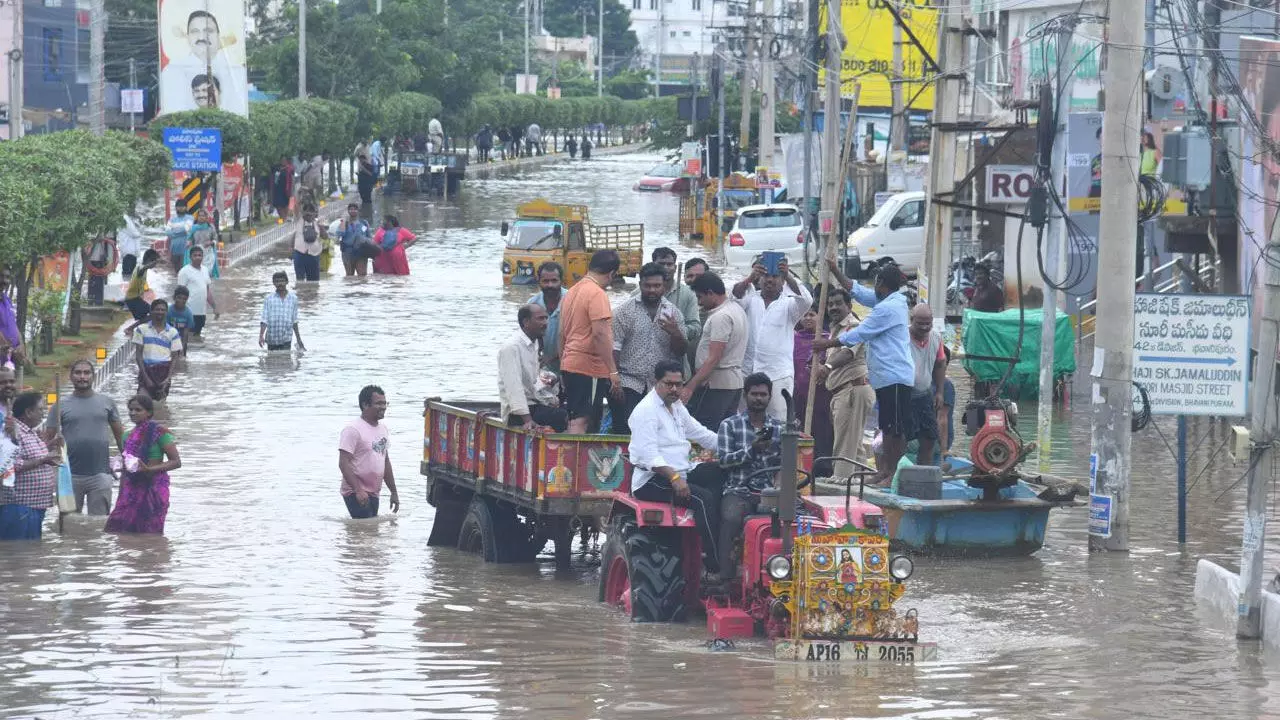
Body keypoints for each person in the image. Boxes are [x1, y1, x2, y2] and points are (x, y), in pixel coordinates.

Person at [628, 360, 724, 574]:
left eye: (678, 384)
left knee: (722, 474)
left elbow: (701, 434)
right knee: (702, 499)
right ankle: (714, 563)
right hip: (652, 480)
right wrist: (674, 478)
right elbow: (648, 455)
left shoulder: (677, 406)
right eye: (668, 384)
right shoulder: (646, 410)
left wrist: (737, 444)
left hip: (683, 471)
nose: (674, 389)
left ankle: (720, 539)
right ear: (656, 382)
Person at [830, 263, 914, 486]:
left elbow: (861, 332)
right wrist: (835, 270)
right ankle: (884, 470)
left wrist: (828, 343)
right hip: (886, 377)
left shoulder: (888, 308)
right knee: (886, 427)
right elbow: (859, 292)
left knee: (894, 430)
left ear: (881, 284)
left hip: (895, 375)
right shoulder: (887, 300)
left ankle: (892, 473)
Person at [716, 373, 784, 580]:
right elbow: (724, 461)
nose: (758, 398)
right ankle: (725, 579)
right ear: (746, 396)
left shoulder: (779, 428)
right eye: (754, 394)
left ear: (769, 397)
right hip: (738, 490)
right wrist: (751, 451)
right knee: (732, 519)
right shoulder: (729, 425)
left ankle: (777, 574)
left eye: (763, 394)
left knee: (788, 522)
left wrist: (779, 490)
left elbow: (782, 465)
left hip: (767, 491)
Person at [611, 263, 687, 433]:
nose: (652, 290)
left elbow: (681, 352)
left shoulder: (673, 313)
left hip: (661, 385)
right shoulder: (624, 311)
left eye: (657, 286)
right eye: (647, 285)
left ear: (664, 287)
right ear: (640, 285)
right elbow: (614, 348)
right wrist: (615, 381)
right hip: (629, 382)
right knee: (625, 430)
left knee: (660, 431)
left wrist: (675, 332)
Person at [733, 260, 813, 419]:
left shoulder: (790, 305)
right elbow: (734, 297)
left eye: (775, 276)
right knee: (744, 420)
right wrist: (750, 277)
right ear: (759, 279)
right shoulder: (750, 299)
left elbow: (806, 300)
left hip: (778, 374)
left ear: (783, 281)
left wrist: (788, 274)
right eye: (765, 275)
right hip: (747, 371)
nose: (770, 280)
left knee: (779, 422)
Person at [812, 287, 874, 478]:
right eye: (830, 304)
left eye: (838, 303)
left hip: (853, 390)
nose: (833, 307)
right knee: (854, 445)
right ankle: (859, 483)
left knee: (845, 444)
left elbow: (848, 353)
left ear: (849, 306)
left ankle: (840, 484)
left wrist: (827, 367)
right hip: (843, 392)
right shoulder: (834, 330)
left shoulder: (853, 326)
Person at [558, 250, 622, 433]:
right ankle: (575, 462)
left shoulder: (571, 292)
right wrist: (613, 371)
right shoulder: (597, 294)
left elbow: (561, 334)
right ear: (612, 274)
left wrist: (564, 362)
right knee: (583, 421)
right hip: (589, 368)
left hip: (570, 363)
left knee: (576, 418)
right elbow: (600, 335)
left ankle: (573, 460)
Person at [104, 394, 181, 534]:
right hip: (132, 487)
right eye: (131, 410)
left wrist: (149, 469)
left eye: (138, 410)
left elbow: (176, 462)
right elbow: (128, 465)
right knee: (118, 529)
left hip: (154, 487)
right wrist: (121, 492)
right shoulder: (127, 436)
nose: (133, 413)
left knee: (151, 532)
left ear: (149, 412)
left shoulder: (160, 432)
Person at [683, 272, 749, 431]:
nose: (699, 303)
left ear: (711, 293)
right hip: (733, 383)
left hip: (717, 384)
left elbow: (714, 358)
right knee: (725, 432)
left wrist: (691, 386)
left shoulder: (721, 317)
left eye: (700, 297)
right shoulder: (736, 309)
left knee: (704, 432)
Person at [62, 359, 124, 516]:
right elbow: (48, 440)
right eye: (78, 373)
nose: (82, 377)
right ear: (71, 376)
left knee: (99, 522)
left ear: (93, 376)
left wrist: (128, 462)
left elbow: (120, 436)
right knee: (69, 523)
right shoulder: (60, 405)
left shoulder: (107, 402)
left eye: (86, 373)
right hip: (69, 476)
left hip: (101, 474)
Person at [158, 10, 248, 115]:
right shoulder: (172, 71)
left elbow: (239, 113)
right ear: (188, 37)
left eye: (209, 31)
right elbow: (172, 115)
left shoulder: (236, 72)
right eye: (195, 31)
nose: (201, 37)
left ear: (218, 35)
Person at [0, 393, 60, 540]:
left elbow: (29, 454)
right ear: (28, 412)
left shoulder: (30, 432)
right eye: (40, 409)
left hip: (34, 506)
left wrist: (50, 445)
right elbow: (10, 465)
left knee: (30, 551)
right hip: (19, 506)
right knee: (17, 552)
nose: (43, 413)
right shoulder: (13, 432)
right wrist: (44, 460)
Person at [499, 304, 568, 432]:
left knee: (575, 409)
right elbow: (514, 388)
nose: (546, 323)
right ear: (526, 322)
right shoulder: (511, 347)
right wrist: (527, 420)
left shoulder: (534, 343)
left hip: (535, 402)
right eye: (540, 319)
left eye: (546, 318)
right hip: (518, 413)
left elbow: (533, 381)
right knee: (562, 417)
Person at [338, 385, 400, 519]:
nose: (383, 407)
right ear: (365, 405)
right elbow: (343, 463)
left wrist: (393, 492)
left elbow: (385, 462)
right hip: (355, 492)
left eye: (385, 403)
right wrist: (358, 490)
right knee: (365, 533)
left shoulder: (383, 429)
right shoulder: (352, 430)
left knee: (370, 532)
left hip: (373, 492)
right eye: (379, 403)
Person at [792, 307, 834, 471]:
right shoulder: (794, 338)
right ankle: (801, 467)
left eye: (812, 314)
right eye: (804, 314)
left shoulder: (826, 339)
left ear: (819, 317)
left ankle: (822, 467)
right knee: (800, 428)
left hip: (821, 394)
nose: (808, 318)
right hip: (799, 392)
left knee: (822, 430)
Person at [908, 303, 946, 466]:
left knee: (930, 436)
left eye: (927, 323)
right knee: (901, 437)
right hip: (904, 394)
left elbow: (940, 363)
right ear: (911, 320)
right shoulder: (901, 336)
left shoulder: (936, 337)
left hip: (924, 394)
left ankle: (924, 470)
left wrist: (939, 392)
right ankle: (894, 473)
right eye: (920, 323)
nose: (924, 327)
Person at [652, 247, 702, 370]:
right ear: (653, 265)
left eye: (669, 264)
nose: (665, 268)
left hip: (676, 362)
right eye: (661, 264)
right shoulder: (639, 294)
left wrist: (676, 330)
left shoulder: (688, 294)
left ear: (675, 267)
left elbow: (696, 328)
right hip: (648, 364)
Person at [133, 299, 183, 401]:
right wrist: (146, 377)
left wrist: (168, 378)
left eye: (163, 310)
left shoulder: (173, 332)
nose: (160, 312)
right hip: (146, 370)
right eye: (157, 309)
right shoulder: (141, 330)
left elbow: (175, 358)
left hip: (163, 372)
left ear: (166, 312)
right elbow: (138, 355)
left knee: (159, 406)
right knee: (142, 401)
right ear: (151, 311)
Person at [529, 262, 567, 372]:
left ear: (562, 281)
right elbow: (528, 338)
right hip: (542, 368)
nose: (550, 285)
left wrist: (551, 358)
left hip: (569, 366)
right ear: (538, 281)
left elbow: (578, 339)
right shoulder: (532, 304)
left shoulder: (571, 301)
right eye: (545, 281)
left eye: (554, 281)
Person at [176, 245, 219, 339]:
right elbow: (179, 293)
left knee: (197, 337)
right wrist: (178, 312)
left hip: (201, 312)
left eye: (200, 255)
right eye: (195, 255)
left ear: (203, 257)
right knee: (187, 337)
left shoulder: (205, 270)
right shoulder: (184, 271)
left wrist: (214, 307)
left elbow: (207, 291)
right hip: (188, 311)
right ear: (190, 257)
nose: (198, 257)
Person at [259, 271, 306, 352]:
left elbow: (294, 321)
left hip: (286, 338)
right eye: (277, 281)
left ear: (287, 282)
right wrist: (261, 336)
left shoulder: (293, 298)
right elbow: (264, 319)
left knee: (285, 361)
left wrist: (299, 339)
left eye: (282, 281)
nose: (280, 283)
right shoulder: (269, 298)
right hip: (272, 337)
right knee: (271, 361)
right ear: (273, 283)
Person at [124, 250, 160, 336]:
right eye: (154, 261)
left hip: (136, 298)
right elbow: (142, 270)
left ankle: (139, 330)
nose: (155, 264)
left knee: (150, 314)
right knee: (153, 313)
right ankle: (129, 329)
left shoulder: (143, 268)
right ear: (149, 260)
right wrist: (151, 264)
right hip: (132, 298)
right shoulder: (141, 268)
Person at [336, 203, 373, 276]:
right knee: (349, 276)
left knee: (362, 275)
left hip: (361, 252)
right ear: (348, 211)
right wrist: (343, 222)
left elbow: (369, 237)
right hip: (347, 252)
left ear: (358, 211)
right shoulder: (345, 223)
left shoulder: (364, 223)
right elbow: (340, 234)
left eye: (355, 209)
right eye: (351, 209)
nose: (353, 211)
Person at [292, 205, 326, 282]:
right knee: (300, 281)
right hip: (300, 255)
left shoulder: (318, 223)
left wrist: (321, 227)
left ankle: (312, 294)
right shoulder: (298, 220)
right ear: (302, 212)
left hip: (314, 255)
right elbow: (296, 206)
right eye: (306, 211)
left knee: (314, 282)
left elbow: (325, 237)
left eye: (311, 211)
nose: (309, 213)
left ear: (315, 213)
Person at [0, 269, 25, 368]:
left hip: (11, 357)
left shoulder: (6, 299)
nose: (5, 281)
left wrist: (21, 346)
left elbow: (13, 325)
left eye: (7, 277)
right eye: (1, 276)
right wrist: (10, 349)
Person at [185, 208, 220, 278]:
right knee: (196, 273)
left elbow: (216, 240)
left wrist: (210, 243)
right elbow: (189, 239)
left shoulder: (211, 227)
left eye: (203, 216)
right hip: (197, 253)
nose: (201, 217)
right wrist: (189, 243)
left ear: (207, 217)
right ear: (197, 217)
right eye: (199, 216)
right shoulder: (193, 228)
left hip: (208, 254)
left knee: (207, 273)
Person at [166, 286, 196, 354]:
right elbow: (165, 330)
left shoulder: (188, 314)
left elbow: (185, 335)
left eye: (184, 299)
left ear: (187, 299)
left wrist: (183, 351)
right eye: (179, 297)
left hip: (181, 339)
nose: (181, 301)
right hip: (168, 338)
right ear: (174, 297)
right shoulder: (168, 311)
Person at [165, 201, 194, 268]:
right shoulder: (172, 219)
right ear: (176, 208)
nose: (180, 208)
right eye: (178, 206)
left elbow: (186, 229)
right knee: (176, 271)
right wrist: (181, 231)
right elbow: (167, 232)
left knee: (186, 270)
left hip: (186, 249)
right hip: (174, 249)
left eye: (182, 206)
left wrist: (173, 232)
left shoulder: (190, 217)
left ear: (186, 208)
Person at [117, 214, 143, 279]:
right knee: (128, 273)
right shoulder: (124, 218)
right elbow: (135, 233)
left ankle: (128, 285)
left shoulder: (127, 218)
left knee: (130, 273)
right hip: (129, 251)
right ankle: (127, 286)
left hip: (130, 251)